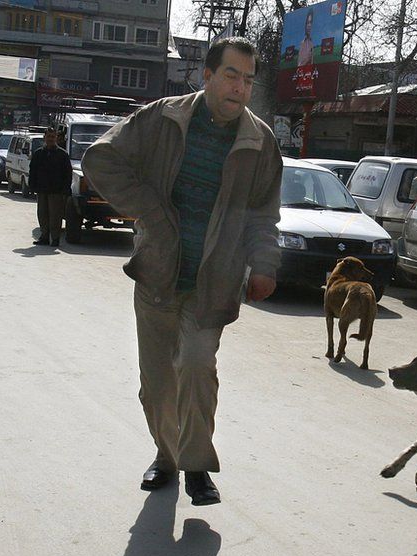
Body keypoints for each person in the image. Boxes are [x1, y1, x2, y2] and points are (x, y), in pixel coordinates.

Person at [81, 37, 282, 506]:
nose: (240, 87)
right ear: (207, 75)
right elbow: (100, 159)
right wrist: (149, 210)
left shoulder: (260, 142)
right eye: (231, 75)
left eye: (249, 80)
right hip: (157, 273)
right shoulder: (162, 118)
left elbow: (263, 214)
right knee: (157, 384)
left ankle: (195, 467)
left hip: (214, 281)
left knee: (195, 365)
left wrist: (265, 264)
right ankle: (167, 455)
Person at [28, 128, 72, 247]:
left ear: (56, 138)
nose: (50, 139)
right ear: (45, 138)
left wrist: (65, 190)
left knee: (55, 216)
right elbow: (33, 171)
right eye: (48, 137)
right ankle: (44, 237)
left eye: (53, 137)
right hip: (42, 190)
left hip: (56, 191)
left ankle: (55, 239)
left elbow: (68, 174)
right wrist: (31, 186)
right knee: (42, 214)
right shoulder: (38, 154)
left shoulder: (62, 155)